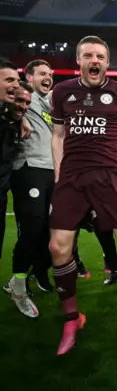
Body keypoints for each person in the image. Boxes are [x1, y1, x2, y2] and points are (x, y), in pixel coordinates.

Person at [48, 35, 117, 355]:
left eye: (100, 57)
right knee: (57, 247)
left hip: (112, 175)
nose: (95, 61)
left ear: (108, 62)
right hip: (73, 177)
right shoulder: (62, 92)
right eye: (88, 56)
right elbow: (58, 135)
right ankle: (71, 318)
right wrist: (58, 175)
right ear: (78, 60)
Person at [10, 60, 54, 295]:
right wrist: (21, 117)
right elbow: (8, 102)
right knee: (32, 226)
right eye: (43, 74)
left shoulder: (48, 103)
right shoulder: (23, 96)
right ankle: (18, 278)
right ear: (28, 78)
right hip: (29, 168)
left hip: (51, 171)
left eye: (51, 74)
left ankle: (40, 272)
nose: (49, 77)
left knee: (50, 229)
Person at [2, 82, 38, 317]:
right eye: (19, 100)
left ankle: (17, 286)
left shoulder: (16, 124)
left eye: (27, 103)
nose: (23, 106)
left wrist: (20, 118)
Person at [0, 59, 23, 262]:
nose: (16, 85)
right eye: (9, 80)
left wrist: (22, 118)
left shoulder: (9, 119)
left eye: (17, 80)